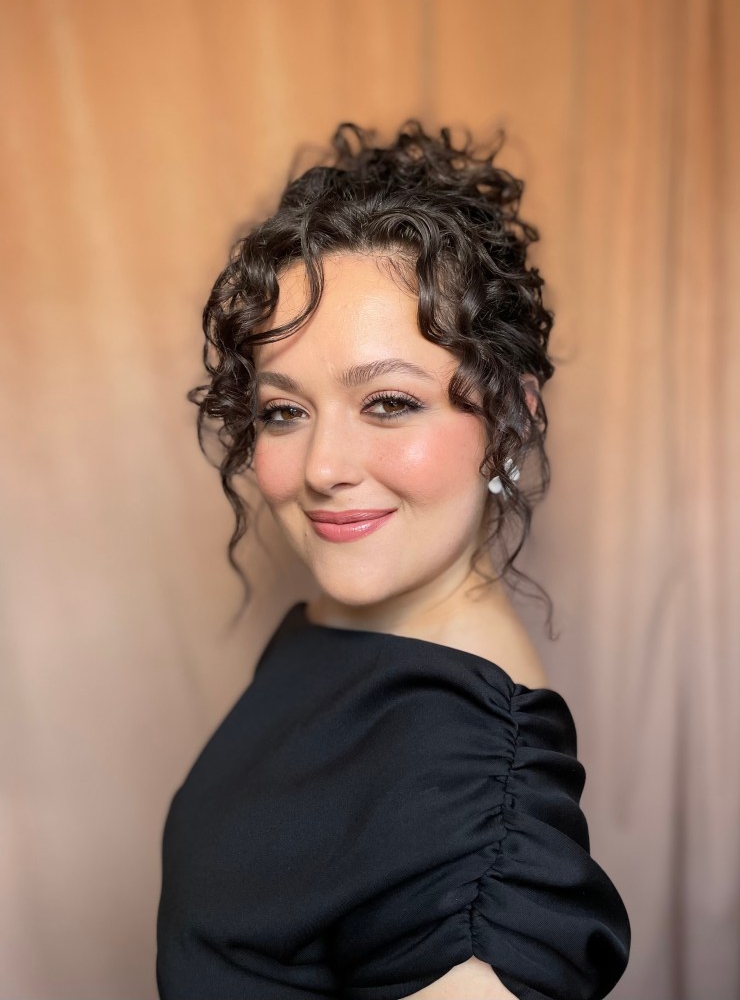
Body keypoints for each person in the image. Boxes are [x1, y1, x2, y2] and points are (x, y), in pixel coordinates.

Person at [156, 120, 631, 1000]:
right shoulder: (343, 622)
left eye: (387, 402)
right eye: (284, 411)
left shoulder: (472, 814)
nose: (323, 468)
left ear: (512, 417)